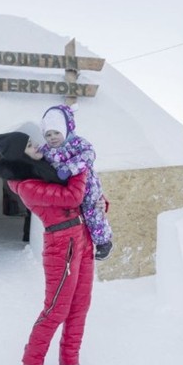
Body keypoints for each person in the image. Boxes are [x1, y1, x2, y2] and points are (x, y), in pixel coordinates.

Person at [0, 130, 96, 365]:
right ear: (19, 153)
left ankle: (69, 361)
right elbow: (73, 197)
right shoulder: (25, 185)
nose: (36, 145)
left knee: (80, 306)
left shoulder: (46, 169)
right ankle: (32, 364)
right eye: (28, 145)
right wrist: (81, 164)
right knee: (56, 309)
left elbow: (82, 199)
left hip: (82, 238)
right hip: (62, 246)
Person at [39, 104, 113, 260]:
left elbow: (89, 155)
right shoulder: (46, 150)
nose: (52, 137)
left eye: (56, 132)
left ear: (65, 130)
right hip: (70, 191)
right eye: (48, 134)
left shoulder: (78, 143)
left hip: (89, 186)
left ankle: (103, 242)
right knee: (78, 218)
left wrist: (69, 168)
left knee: (93, 212)